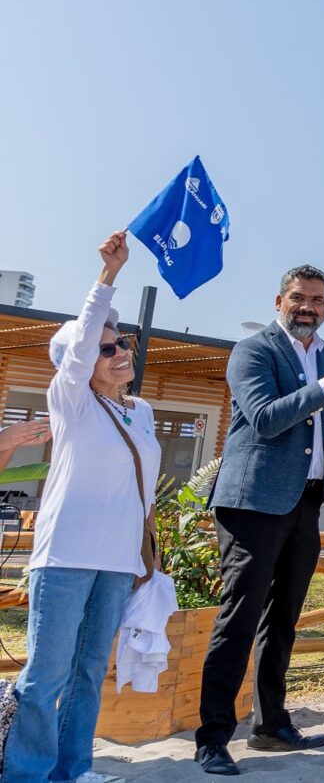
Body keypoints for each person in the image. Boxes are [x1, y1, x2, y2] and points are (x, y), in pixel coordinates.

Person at [196, 265, 324, 776]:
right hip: (253, 501)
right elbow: (264, 418)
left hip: (306, 500)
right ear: (278, 301)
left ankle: (269, 725)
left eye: (316, 300)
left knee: (281, 619)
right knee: (238, 619)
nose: (307, 307)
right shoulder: (255, 350)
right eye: (298, 298)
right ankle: (213, 736)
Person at [2, 233, 150, 783]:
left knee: (89, 672)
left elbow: (143, 488)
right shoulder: (70, 403)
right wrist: (107, 278)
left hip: (116, 562)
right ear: (81, 363)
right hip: (64, 558)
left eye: (123, 343)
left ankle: (73, 771)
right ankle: (24, 775)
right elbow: (84, 338)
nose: (120, 353)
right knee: (45, 676)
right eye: (106, 349)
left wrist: (143, 556)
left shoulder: (141, 411)